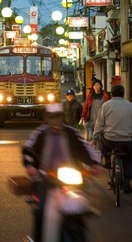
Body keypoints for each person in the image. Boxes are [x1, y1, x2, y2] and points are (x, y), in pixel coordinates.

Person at [23, 103, 101, 242]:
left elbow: (85, 149)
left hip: (71, 178)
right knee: (41, 211)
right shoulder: (40, 133)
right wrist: (30, 166)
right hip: (45, 179)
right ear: (47, 118)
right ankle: (36, 238)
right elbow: (28, 149)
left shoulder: (71, 132)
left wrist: (94, 164)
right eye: (52, 117)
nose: (56, 120)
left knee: (83, 206)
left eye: (59, 116)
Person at [92, 84, 132, 193]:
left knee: (102, 140)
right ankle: (128, 180)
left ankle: (107, 160)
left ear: (111, 94)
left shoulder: (106, 105)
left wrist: (93, 139)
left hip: (110, 141)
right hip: (126, 141)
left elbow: (99, 124)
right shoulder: (130, 105)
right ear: (123, 94)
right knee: (129, 158)